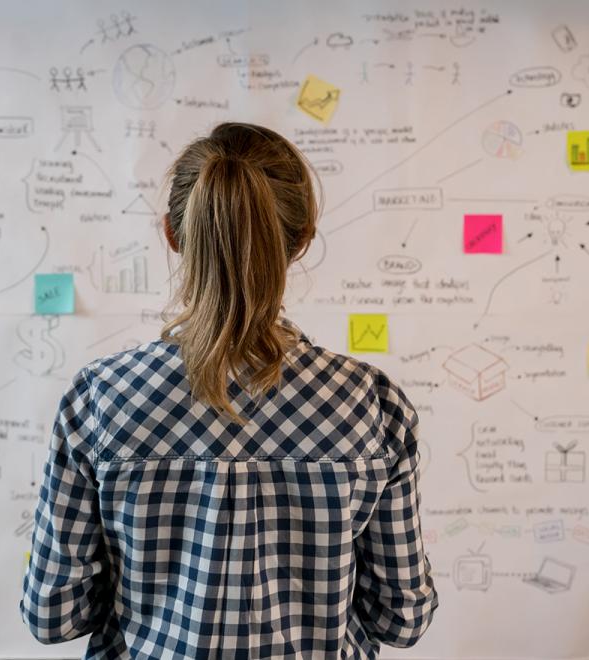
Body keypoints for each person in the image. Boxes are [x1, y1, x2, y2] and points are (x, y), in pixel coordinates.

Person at [21, 122, 437, 658]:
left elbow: (53, 614)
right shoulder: (371, 403)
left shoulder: (100, 398)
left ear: (172, 234)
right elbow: (401, 620)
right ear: (303, 238)